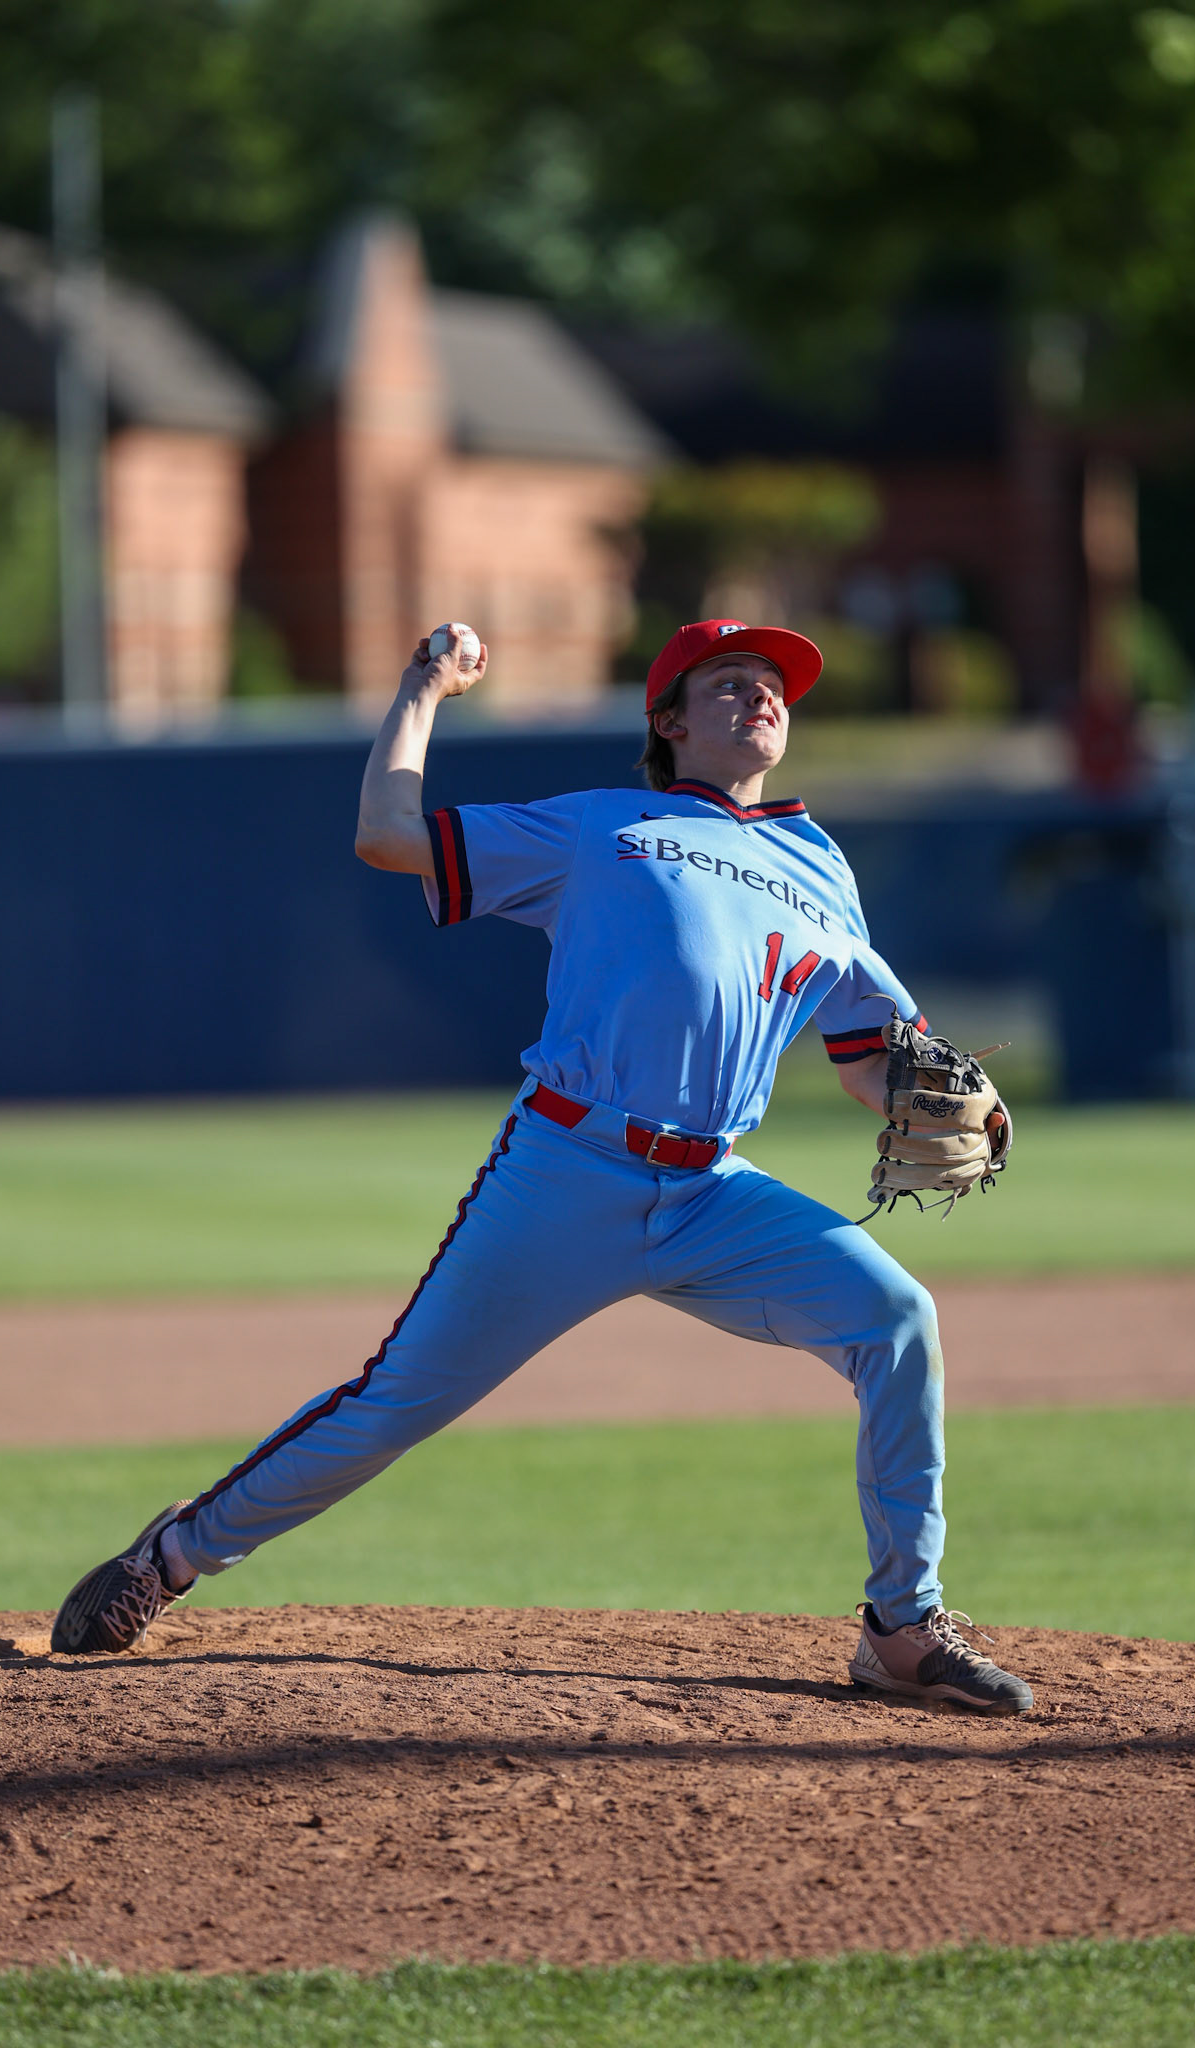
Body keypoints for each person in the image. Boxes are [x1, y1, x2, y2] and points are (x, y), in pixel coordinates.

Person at [52, 617, 1033, 1715]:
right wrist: (423, 685)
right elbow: (387, 833)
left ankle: (902, 1627)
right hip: (569, 1166)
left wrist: (945, 1095)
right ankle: (172, 1556)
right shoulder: (601, 825)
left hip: (715, 1188)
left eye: (774, 684)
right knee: (394, 1403)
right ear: (667, 719)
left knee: (898, 1317)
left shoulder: (822, 868)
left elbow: (870, 1065)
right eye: (727, 682)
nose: (760, 695)